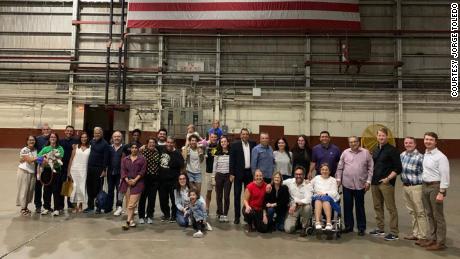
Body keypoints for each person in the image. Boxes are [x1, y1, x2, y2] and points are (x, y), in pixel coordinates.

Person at [417, 132, 450, 251]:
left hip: (435, 187)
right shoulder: (426, 154)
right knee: (429, 214)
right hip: (425, 186)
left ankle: (440, 242)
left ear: (436, 142)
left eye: (431, 140)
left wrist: (442, 192)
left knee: (438, 216)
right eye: (426, 139)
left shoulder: (441, 157)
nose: (428, 141)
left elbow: (445, 175)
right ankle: (432, 238)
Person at [335, 136, 373, 236]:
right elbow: (339, 168)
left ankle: (361, 227)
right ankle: (348, 226)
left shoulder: (366, 153)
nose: (353, 143)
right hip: (347, 184)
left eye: (355, 141)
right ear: (349, 143)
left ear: (358, 142)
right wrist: (338, 179)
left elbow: (370, 168)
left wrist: (368, 181)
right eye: (351, 142)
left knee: (360, 206)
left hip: (360, 184)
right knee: (347, 206)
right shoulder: (345, 153)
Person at [369, 127, 402, 241]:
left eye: (383, 135)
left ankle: (394, 232)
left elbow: (398, 168)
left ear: (387, 136)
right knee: (377, 206)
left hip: (386, 183)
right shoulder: (376, 149)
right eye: (379, 135)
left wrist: (388, 179)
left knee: (391, 208)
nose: (381, 137)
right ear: (377, 137)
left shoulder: (393, 150)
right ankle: (380, 228)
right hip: (374, 183)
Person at [400, 137, 428, 242]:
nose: (408, 144)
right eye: (406, 143)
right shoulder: (402, 155)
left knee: (420, 212)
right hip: (405, 186)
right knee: (412, 211)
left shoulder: (421, 157)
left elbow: (425, 172)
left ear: (415, 144)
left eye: (410, 143)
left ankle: (422, 236)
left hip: (417, 187)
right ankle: (415, 233)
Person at [229, 128, 256, 224]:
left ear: (248, 135)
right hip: (238, 173)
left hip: (249, 173)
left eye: (246, 134)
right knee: (237, 195)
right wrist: (231, 173)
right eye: (243, 134)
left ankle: (246, 215)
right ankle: (237, 217)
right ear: (240, 135)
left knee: (248, 196)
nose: (245, 136)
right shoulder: (235, 145)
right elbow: (231, 160)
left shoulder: (253, 144)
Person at [120, 143, 146, 230]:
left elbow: (142, 171)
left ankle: (127, 222)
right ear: (130, 149)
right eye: (132, 148)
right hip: (127, 183)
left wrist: (135, 180)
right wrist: (127, 180)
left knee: (131, 204)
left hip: (138, 183)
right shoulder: (125, 159)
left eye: (136, 148)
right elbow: (123, 171)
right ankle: (131, 220)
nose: (134, 149)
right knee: (129, 203)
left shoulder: (142, 159)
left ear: (138, 149)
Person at [38, 132, 65, 216]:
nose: (53, 138)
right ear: (49, 139)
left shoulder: (60, 148)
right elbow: (39, 158)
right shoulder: (45, 148)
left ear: (57, 139)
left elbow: (60, 158)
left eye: (54, 137)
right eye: (51, 137)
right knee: (46, 189)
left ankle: (56, 208)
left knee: (56, 190)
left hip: (56, 170)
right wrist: (44, 159)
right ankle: (47, 207)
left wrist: (53, 159)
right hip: (46, 171)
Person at [84, 127, 109, 213]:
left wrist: (104, 170)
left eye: (98, 133)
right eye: (95, 133)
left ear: (101, 134)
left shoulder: (105, 144)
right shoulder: (91, 142)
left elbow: (106, 158)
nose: (96, 134)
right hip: (90, 168)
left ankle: (98, 207)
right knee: (90, 188)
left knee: (98, 188)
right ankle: (90, 206)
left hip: (99, 169)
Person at [159, 136, 184, 223]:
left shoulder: (177, 153)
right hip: (162, 181)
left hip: (174, 181)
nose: (169, 144)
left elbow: (182, 166)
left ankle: (174, 215)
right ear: (166, 143)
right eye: (168, 142)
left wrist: (181, 180)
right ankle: (166, 214)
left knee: (174, 200)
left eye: (171, 143)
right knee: (163, 199)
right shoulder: (161, 149)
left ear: (174, 144)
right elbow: (152, 145)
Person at [283, 166, 313, 236]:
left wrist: (296, 204)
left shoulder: (308, 184)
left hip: (303, 207)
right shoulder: (290, 181)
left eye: (300, 174)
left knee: (308, 207)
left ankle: (304, 227)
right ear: (294, 175)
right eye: (296, 174)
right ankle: (297, 222)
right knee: (288, 229)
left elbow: (308, 199)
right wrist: (269, 185)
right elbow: (278, 182)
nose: (298, 176)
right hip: (293, 209)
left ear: (304, 175)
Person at [311, 164, 340, 231]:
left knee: (325, 201)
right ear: (320, 171)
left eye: (326, 170)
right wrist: (307, 183)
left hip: (329, 199)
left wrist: (325, 194)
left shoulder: (333, 180)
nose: (324, 171)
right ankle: (318, 222)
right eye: (323, 170)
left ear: (329, 171)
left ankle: (328, 222)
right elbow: (309, 186)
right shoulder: (316, 178)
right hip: (317, 198)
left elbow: (334, 192)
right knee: (318, 200)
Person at [138, 138, 160, 224]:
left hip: (155, 178)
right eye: (150, 142)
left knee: (152, 198)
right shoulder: (143, 151)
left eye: (153, 142)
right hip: (144, 178)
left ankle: (150, 215)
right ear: (147, 144)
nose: (152, 144)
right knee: (143, 198)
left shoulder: (157, 152)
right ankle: (141, 216)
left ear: (155, 144)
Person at [67, 132, 90, 213]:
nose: (84, 139)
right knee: (74, 188)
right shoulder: (76, 147)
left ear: (87, 138)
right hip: (74, 170)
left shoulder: (90, 147)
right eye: (82, 137)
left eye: (85, 137)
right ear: (80, 138)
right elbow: (71, 159)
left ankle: (80, 205)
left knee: (81, 188)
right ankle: (74, 206)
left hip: (84, 170)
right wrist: (68, 171)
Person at [16, 135, 38, 216]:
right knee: (24, 190)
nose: (31, 141)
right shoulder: (24, 150)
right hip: (23, 172)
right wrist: (40, 157)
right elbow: (29, 160)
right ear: (27, 141)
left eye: (33, 140)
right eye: (30, 140)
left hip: (32, 173)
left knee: (29, 191)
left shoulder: (35, 150)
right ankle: (22, 208)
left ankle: (26, 207)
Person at [59, 125, 78, 211]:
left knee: (70, 185)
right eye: (68, 131)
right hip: (62, 166)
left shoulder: (76, 141)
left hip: (72, 166)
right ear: (65, 131)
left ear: (73, 132)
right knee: (62, 184)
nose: (69, 132)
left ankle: (70, 204)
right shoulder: (60, 141)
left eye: (71, 131)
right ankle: (61, 205)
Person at [213, 136, 232, 222]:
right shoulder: (217, 153)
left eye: (225, 141)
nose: (223, 143)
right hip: (219, 176)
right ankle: (220, 213)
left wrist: (232, 174)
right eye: (222, 142)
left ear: (228, 143)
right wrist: (213, 177)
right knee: (219, 196)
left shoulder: (231, 153)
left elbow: (233, 165)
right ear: (220, 144)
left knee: (226, 196)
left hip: (228, 177)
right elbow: (214, 166)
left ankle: (225, 214)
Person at [34, 123, 51, 213]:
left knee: (47, 187)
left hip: (48, 168)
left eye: (47, 129)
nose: (46, 131)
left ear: (50, 130)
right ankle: (38, 205)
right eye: (44, 129)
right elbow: (33, 151)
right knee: (38, 187)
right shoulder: (37, 139)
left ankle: (47, 205)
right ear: (42, 130)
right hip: (39, 167)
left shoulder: (53, 139)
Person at [109, 131, 125, 216]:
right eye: (115, 136)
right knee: (110, 190)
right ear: (112, 138)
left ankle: (119, 207)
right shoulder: (109, 147)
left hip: (120, 173)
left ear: (121, 138)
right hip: (110, 173)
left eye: (118, 136)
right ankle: (109, 207)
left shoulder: (125, 148)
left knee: (120, 191)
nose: (117, 138)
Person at [205, 133, 218, 214]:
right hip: (208, 172)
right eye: (212, 137)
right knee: (209, 191)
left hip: (217, 173)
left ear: (217, 138)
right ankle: (207, 208)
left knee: (218, 192)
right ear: (210, 138)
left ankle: (219, 209)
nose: (213, 138)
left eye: (215, 137)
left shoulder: (219, 147)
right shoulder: (206, 146)